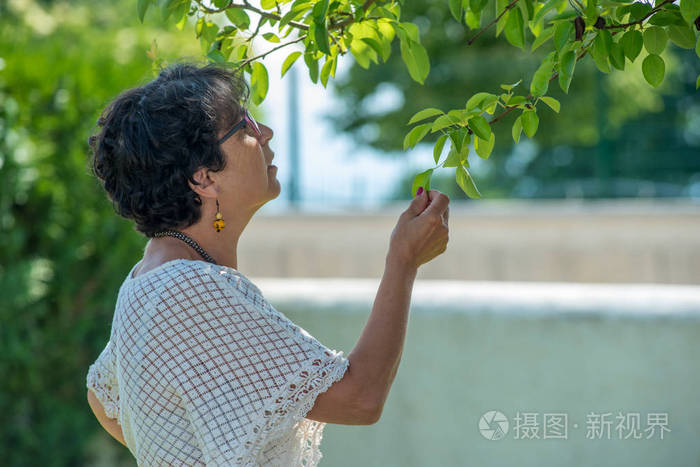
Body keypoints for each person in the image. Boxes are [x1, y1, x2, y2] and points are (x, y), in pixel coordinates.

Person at [85, 62, 450, 466]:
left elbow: (102, 400)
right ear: (204, 179)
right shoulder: (190, 290)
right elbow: (360, 398)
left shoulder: (147, 277)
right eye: (243, 127)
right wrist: (403, 261)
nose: (264, 133)